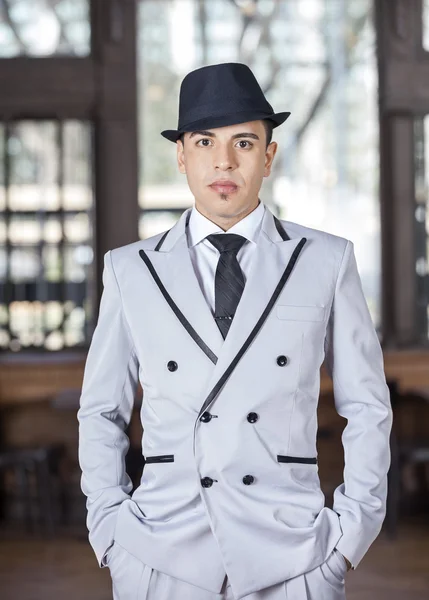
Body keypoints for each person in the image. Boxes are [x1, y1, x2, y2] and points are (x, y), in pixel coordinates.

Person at [77, 62, 393, 600]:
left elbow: (367, 406)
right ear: (181, 155)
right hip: (160, 554)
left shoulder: (327, 261)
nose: (224, 161)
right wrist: (109, 529)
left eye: (244, 142)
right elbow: (101, 410)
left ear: (269, 156)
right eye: (204, 141)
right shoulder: (130, 269)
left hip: (294, 555)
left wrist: (349, 536)